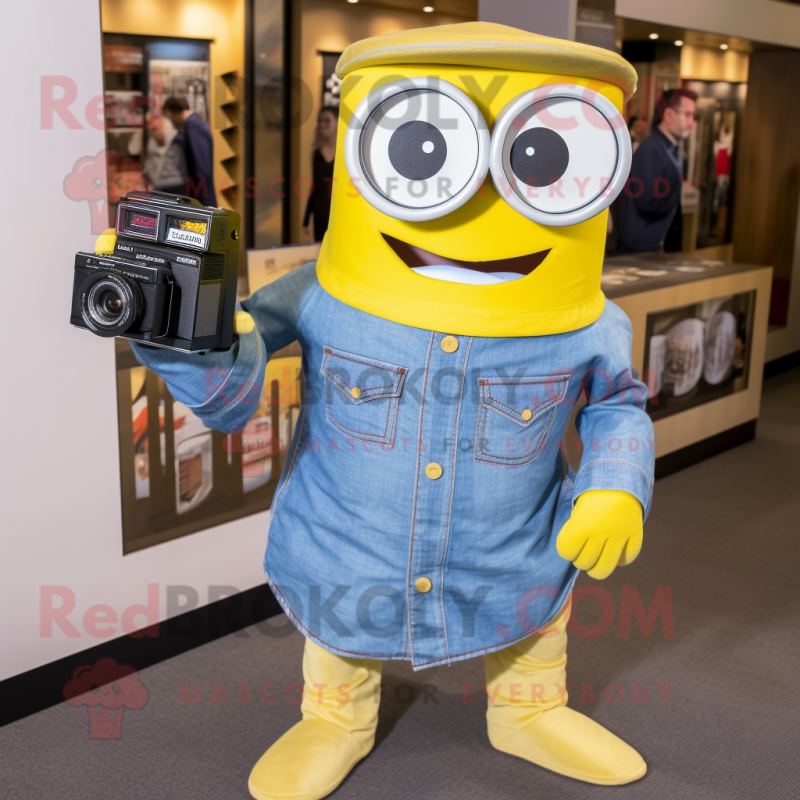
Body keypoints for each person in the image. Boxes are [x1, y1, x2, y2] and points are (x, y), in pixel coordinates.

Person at [129, 23, 654, 799]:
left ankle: (529, 711)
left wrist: (616, 484)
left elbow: (619, 404)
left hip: (512, 546)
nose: (478, 203)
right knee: (341, 628)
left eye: (546, 158)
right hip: (349, 541)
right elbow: (232, 395)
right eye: (423, 150)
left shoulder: (588, 322)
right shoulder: (318, 293)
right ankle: (334, 719)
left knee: (534, 616)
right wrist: (173, 329)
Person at [618, 87, 697, 254]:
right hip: (638, 251)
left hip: (652, 247)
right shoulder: (651, 149)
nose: (692, 122)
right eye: (688, 115)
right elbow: (647, 201)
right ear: (668, 115)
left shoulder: (670, 149)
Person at [162, 96, 217, 207]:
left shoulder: (192, 126)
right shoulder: (194, 123)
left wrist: (196, 202)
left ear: (174, 112)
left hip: (202, 200)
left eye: (169, 116)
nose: (171, 120)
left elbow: (202, 168)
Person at [303, 106, 338, 242]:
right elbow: (314, 186)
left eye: (327, 121)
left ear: (337, 123)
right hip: (320, 211)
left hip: (339, 210)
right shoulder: (317, 153)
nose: (322, 125)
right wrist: (306, 220)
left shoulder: (345, 152)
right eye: (320, 121)